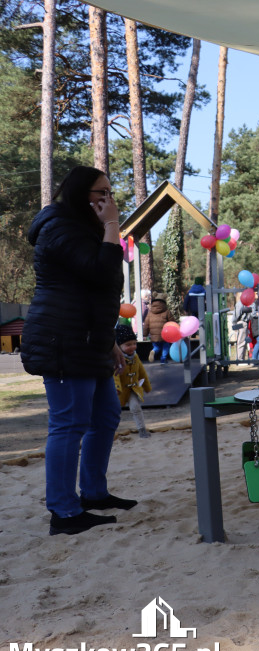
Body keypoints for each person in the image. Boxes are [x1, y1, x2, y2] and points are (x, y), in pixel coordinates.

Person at [21, 165, 137, 536]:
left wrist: (109, 343)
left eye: (109, 192)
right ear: (79, 193)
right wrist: (112, 227)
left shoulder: (81, 226)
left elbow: (98, 292)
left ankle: (93, 494)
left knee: (105, 416)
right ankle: (64, 512)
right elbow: (102, 273)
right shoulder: (59, 227)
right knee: (68, 424)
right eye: (100, 192)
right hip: (62, 340)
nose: (108, 199)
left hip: (89, 340)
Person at [113, 324, 152, 438]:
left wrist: (147, 386)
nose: (132, 347)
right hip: (119, 391)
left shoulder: (135, 357)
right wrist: (117, 387)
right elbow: (114, 375)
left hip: (132, 388)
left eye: (134, 343)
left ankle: (142, 429)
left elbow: (142, 372)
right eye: (128, 345)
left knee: (135, 408)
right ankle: (111, 431)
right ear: (119, 346)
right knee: (114, 412)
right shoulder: (116, 358)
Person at [142, 292, 175, 363]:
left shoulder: (150, 313)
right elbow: (172, 322)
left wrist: (144, 334)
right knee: (166, 346)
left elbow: (146, 324)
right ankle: (163, 359)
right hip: (165, 334)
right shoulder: (167, 311)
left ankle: (153, 351)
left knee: (157, 347)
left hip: (154, 335)